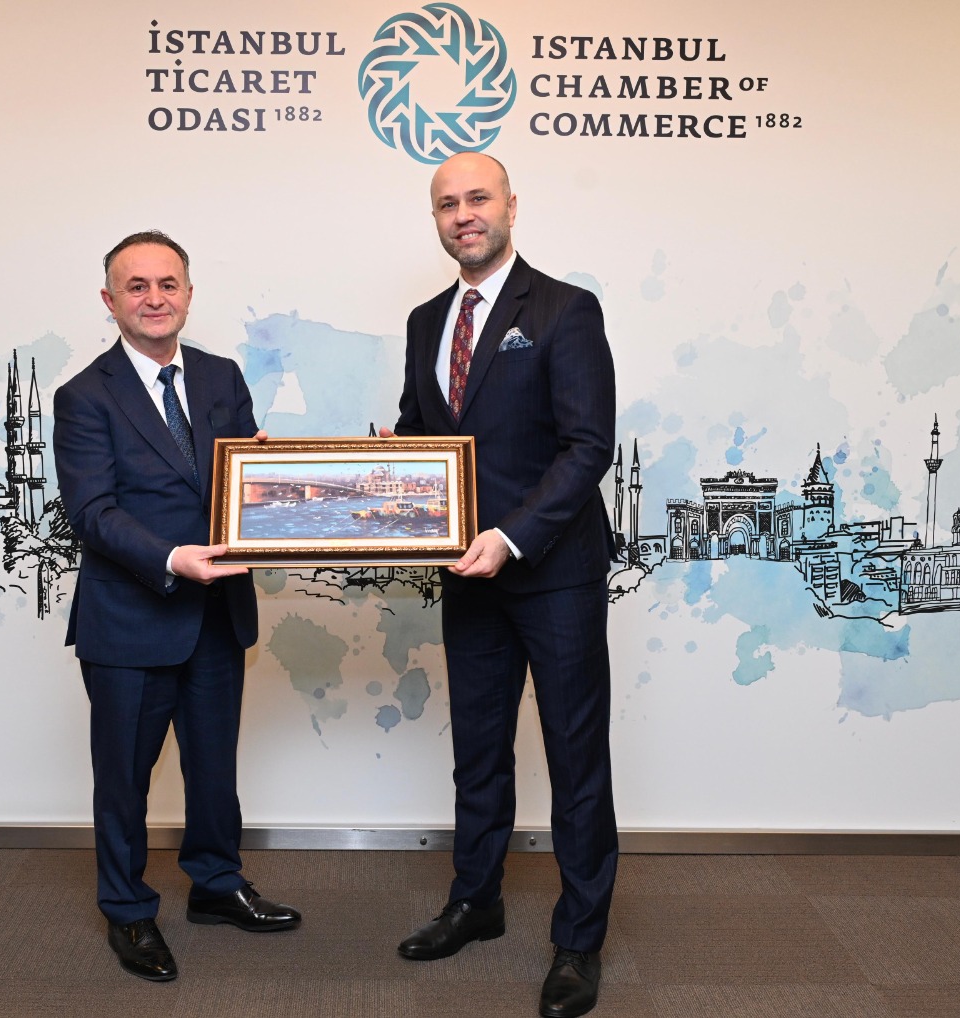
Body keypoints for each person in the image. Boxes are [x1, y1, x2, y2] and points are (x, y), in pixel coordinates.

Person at [386, 154, 619, 1018]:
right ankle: (476, 901)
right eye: (447, 204)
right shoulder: (425, 322)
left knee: (574, 758)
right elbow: (424, 434)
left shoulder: (565, 309)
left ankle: (579, 939)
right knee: (479, 750)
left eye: (477, 198)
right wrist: (390, 465)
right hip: (467, 577)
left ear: (511, 205)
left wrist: (512, 537)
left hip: (551, 573)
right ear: (436, 220)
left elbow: (587, 447)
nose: (464, 214)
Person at [53, 230, 299, 984]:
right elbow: (92, 512)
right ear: (110, 301)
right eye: (137, 286)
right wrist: (171, 558)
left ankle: (217, 884)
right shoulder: (84, 396)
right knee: (125, 778)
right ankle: (127, 910)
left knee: (214, 767)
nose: (154, 298)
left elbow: (237, 485)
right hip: (131, 620)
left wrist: (265, 477)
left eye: (168, 284)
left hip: (217, 614)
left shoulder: (222, 376)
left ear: (189, 294)